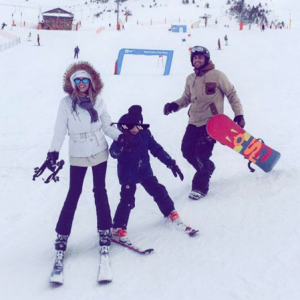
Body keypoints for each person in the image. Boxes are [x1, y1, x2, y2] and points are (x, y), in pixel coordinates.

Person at [46, 61, 127, 262]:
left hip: (98, 149)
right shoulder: (66, 103)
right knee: (74, 192)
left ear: (90, 82)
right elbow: (59, 130)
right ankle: (62, 234)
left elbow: (106, 125)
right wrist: (53, 152)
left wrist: (120, 137)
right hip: (78, 152)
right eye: (77, 80)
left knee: (100, 191)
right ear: (73, 83)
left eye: (84, 80)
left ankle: (104, 229)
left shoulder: (98, 100)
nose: (81, 83)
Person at [163, 46, 245, 200]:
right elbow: (186, 98)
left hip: (212, 124)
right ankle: (206, 168)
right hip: (193, 121)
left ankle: (200, 186)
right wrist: (174, 105)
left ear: (206, 59)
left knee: (201, 154)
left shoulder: (217, 75)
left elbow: (231, 94)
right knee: (186, 151)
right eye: (194, 58)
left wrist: (238, 114)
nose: (197, 60)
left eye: (200, 57)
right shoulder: (190, 78)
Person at [109, 105, 195, 245]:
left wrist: (170, 163)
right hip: (128, 174)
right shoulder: (121, 136)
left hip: (144, 170)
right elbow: (113, 153)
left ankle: (170, 212)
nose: (135, 130)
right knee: (128, 200)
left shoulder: (145, 133)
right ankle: (118, 228)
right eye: (132, 127)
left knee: (159, 190)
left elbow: (156, 149)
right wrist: (120, 144)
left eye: (138, 126)